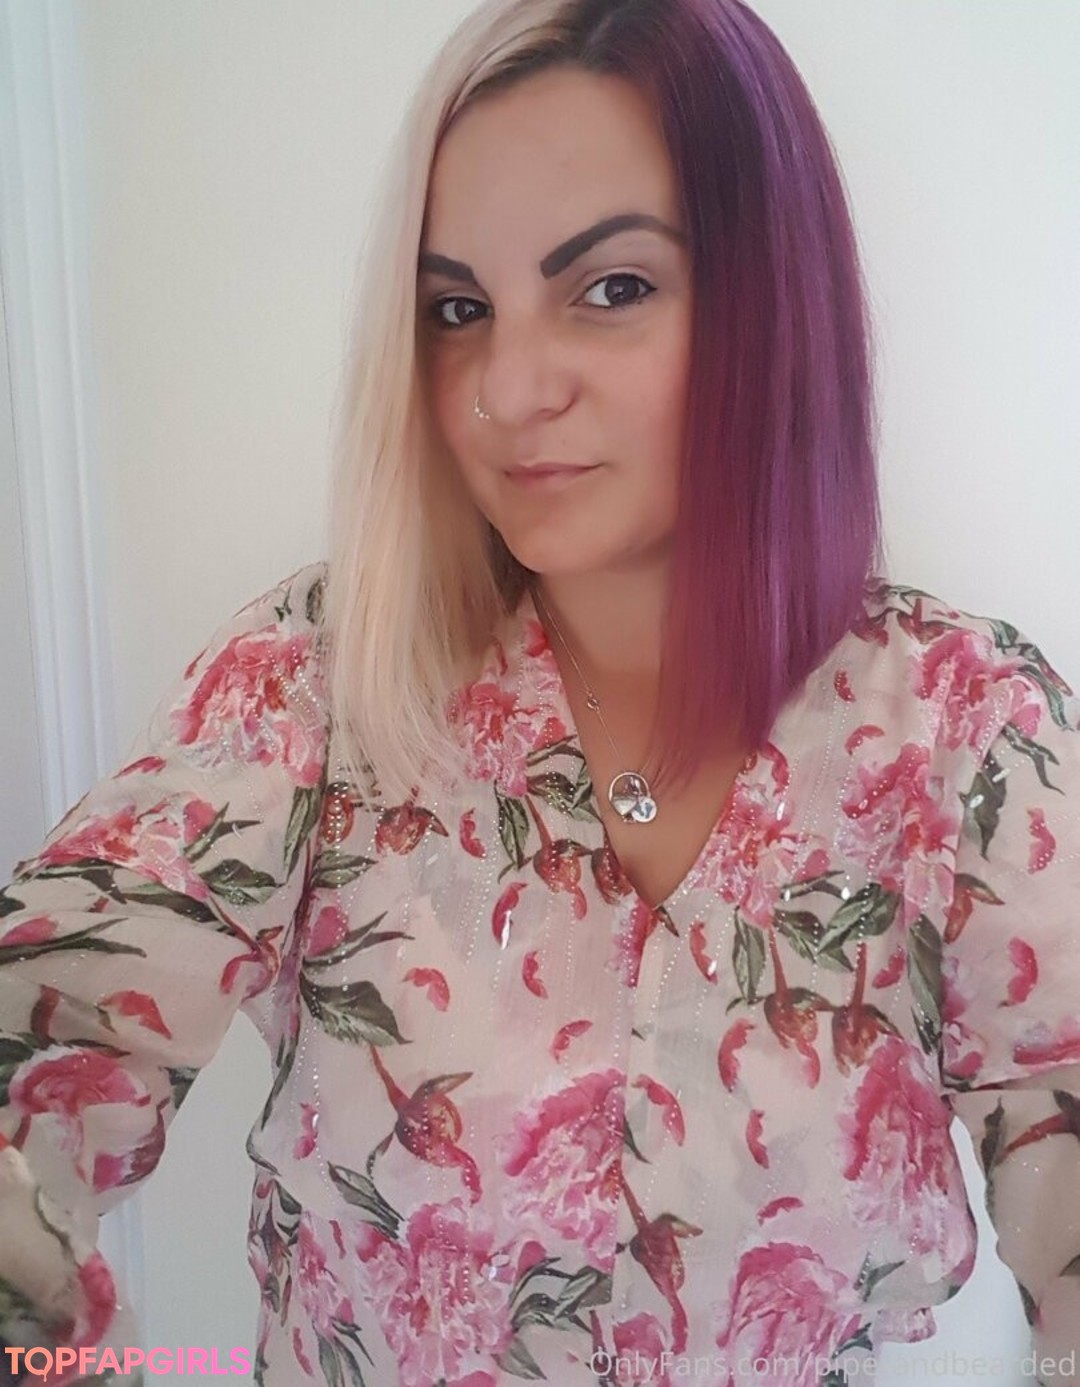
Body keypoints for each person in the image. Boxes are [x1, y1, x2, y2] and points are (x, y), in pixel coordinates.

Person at [2, 0, 1078, 1384]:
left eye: (612, 288)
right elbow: (50, 1029)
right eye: (458, 310)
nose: (506, 390)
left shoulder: (968, 735)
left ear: (775, 303)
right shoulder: (318, 684)